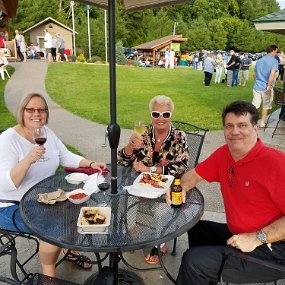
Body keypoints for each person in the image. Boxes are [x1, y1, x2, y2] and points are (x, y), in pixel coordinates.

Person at [167, 100, 285, 285]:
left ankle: (199, 271)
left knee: (193, 261)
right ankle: (204, 277)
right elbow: (195, 174)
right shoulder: (225, 154)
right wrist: (180, 187)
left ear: (256, 128)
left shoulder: (276, 163)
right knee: (197, 228)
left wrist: (257, 237)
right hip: (240, 233)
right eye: (229, 126)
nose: (235, 131)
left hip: (275, 249)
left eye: (242, 125)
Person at [0, 93, 106, 277]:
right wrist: (28, 160)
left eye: (42, 110)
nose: (37, 114)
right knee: (52, 227)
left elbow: (65, 156)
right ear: (22, 111)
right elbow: (7, 184)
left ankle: (69, 250)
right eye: (30, 109)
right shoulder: (9, 139)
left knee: (77, 205)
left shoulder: (45, 133)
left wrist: (90, 163)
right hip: (11, 205)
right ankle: (48, 276)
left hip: (44, 199)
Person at [118, 95, 189, 264]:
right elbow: (123, 160)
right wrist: (130, 146)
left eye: (166, 114)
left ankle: (160, 241)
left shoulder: (179, 136)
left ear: (171, 115)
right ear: (151, 115)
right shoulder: (143, 133)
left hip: (165, 190)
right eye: (156, 114)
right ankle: (132, 233)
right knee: (125, 197)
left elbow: (182, 166)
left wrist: (149, 168)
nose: (161, 119)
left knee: (161, 211)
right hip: (142, 186)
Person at [252, 44, 279, 128]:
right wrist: (268, 86)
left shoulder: (260, 60)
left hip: (257, 86)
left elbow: (254, 74)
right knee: (266, 106)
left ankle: (253, 123)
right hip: (266, 87)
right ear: (273, 50)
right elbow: (272, 74)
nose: (277, 53)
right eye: (276, 51)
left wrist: (257, 82)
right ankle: (262, 122)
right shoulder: (274, 61)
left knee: (255, 106)